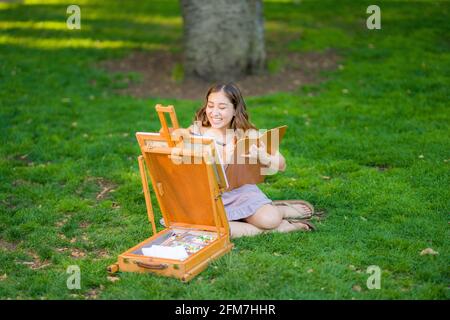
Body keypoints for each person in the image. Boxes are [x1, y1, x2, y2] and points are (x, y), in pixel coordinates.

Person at [174, 83, 317, 238]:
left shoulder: (247, 134)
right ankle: (282, 228)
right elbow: (178, 150)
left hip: (241, 194)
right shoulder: (196, 131)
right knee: (209, 230)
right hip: (210, 197)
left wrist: (264, 157)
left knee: (270, 220)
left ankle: (279, 210)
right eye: (210, 106)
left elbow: (281, 165)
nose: (214, 112)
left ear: (235, 109)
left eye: (222, 107)